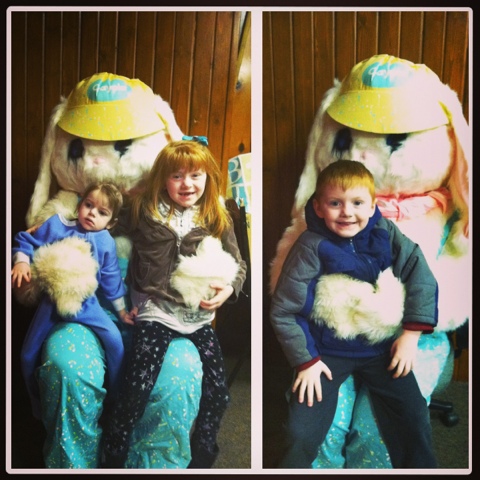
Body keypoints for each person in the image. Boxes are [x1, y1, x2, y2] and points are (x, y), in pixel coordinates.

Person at [270, 160, 438, 469]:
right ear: (319, 207)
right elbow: (284, 310)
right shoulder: (310, 246)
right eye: (335, 203)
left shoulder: (385, 232)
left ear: (373, 205)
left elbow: (420, 275)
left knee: (414, 414)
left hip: (381, 348)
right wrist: (306, 362)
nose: (347, 212)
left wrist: (411, 335)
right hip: (326, 353)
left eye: (357, 203)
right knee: (299, 431)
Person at [100, 139, 247, 469]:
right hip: (155, 310)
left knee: (219, 392)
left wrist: (229, 289)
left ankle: (203, 451)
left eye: (195, 175)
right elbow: (104, 223)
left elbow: (239, 264)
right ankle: (115, 445)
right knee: (138, 387)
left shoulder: (216, 216)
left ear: (208, 177)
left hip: (197, 316)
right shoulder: (143, 210)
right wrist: (60, 226)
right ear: (162, 179)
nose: (187, 184)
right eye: (177, 176)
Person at [12, 182, 135, 419]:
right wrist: (22, 262)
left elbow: (111, 279)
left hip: (87, 303)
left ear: (111, 223)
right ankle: (35, 402)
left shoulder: (105, 241)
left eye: (102, 212)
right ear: (79, 205)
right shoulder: (57, 225)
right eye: (88, 205)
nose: (92, 213)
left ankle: (114, 398)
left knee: (115, 342)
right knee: (27, 353)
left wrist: (121, 312)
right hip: (52, 302)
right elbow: (26, 239)